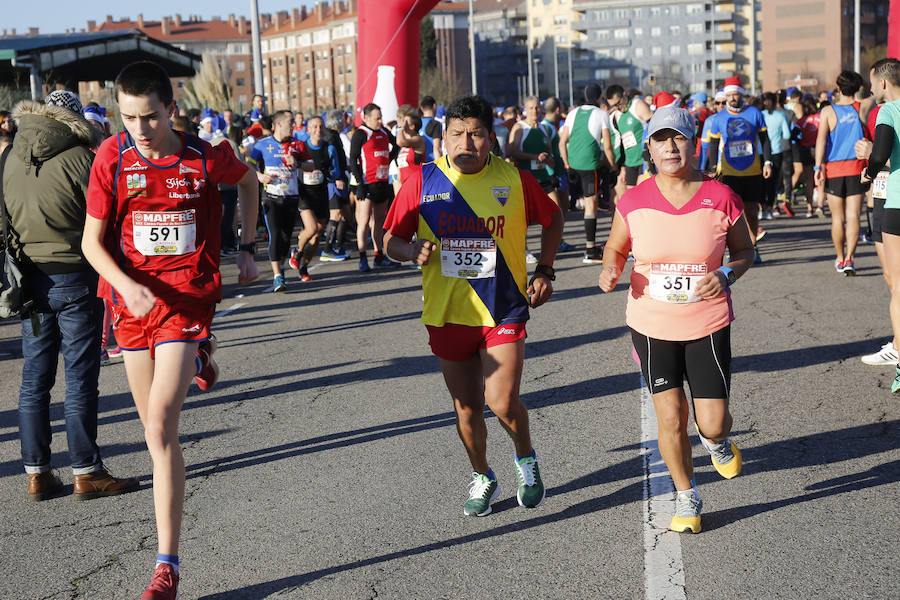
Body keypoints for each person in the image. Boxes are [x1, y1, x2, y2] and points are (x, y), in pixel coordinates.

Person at [81, 61, 259, 599]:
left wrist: (247, 247)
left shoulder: (204, 156)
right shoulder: (112, 156)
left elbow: (250, 181)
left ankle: (166, 565)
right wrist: (124, 285)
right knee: (154, 436)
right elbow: (92, 243)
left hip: (186, 298)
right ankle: (200, 356)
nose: (139, 127)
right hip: (131, 304)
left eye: (150, 117)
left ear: (171, 110)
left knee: (160, 427)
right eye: (128, 116)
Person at [383, 94, 563, 517]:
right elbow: (389, 240)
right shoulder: (421, 181)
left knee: (501, 401)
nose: (467, 143)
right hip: (447, 315)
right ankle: (483, 474)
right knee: (466, 409)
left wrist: (546, 271)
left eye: (477, 134)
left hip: (503, 308)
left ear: (491, 138)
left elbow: (552, 220)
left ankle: (525, 458)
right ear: (443, 138)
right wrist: (411, 252)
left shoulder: (515, 180)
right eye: (457, 134)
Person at [598, 106, 754, 533]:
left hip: (707, 320)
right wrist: (611, 267)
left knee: (713, 421)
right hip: (651, 323)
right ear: (648, 147)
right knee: (670, 417)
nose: (670, 146)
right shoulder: (632, 201)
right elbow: (615, 248)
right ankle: (687, 497)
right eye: (661, 139)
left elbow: (745, 253)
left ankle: (717, 442)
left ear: (693, 142)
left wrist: (725, 274)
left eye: (678, 138)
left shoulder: (722, 197)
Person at [3, 90, 139, 502]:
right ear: (76, 119)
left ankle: (36, 473)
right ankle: (86, 470)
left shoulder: (10, 157)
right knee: (80, 377)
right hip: (77, 276)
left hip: (29, 279)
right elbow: (106, 218)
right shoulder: (85, 158)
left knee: (35, 378)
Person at [860, 58, 900, 391]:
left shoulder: (888, 111)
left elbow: (881, 150)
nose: (871, 89)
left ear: (884, 83)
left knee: (899, 287)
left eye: (873, 83)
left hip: (898, 204)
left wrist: (870, 170)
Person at [705, 76, 773, 263]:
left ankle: (753, 245)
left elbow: (765, 141)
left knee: (751, 210)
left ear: (741, 94)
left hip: (752, 170)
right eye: (730, 95)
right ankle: (731, 249)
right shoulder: (718, 118)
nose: (733, 98)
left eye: (736, 94)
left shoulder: (755, 113)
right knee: (730, 213)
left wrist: (768, 162)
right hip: (729, 171)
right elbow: (713, 144)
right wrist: (712, 169)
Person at [815, 71, 871, 275]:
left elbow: (821, 140)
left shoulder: (828, 111)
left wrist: (817, 167)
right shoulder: (863, 108)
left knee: (837, 218)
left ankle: (839, 258)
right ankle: (850, 259)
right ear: (858, 87)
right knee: (854, 215)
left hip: (834, 169)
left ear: (838, 88)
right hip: (857, 168)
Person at [249, 110, 307, 291]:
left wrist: (297, 163)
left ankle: (281, 267)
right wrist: (259, 176)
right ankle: (277, 276)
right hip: (271, 197)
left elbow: (312, 165)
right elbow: (248, 163)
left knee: (285, 237)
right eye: (290, 123)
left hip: (291, 197)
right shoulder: (262, 145)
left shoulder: (297, 144)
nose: (293, 126)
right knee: (274, 235)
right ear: (280, 124)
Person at [558, 84, 616, 263]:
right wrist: (613, 167)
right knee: (591, 205)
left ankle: (587, 247)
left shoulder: (573, 113)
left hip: (572, 165)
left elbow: (562, 142)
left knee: (573, 205)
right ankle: (590, 250)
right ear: (600, 99)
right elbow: (607, 145)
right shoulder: (602, 114)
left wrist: (567, 164)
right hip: (590, 166)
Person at [349, 103, 400, 272]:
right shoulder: (361, 134)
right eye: (377, 118)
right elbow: (353, 160)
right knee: (363, 222)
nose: (380, 121)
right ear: (366, 117)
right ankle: (363, 258)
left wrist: (389, 159)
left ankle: (379, 256)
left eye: (381, 117)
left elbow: (397, 145)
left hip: (382, 182)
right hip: (366, 183)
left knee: (379, 221)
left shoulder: (384, 132)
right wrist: (360, 184)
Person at [288, 116, 339, 280]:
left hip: (321, 195)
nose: (318, 130)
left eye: (321, 126)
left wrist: (333, 176)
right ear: (308, 129)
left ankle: (304, 267)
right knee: (312, 229)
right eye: (314, 127)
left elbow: (336, 169)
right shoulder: (301, 147)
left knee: (317, 236)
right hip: (305, 194)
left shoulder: (329, 148)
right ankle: (297, 253)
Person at [507, 96, 555, 264]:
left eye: (537, 108)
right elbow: (512, 151)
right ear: (525, 110)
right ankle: (524, 249)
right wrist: (535, 156)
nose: (534, 111)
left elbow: (548, 151)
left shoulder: (544, 128)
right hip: (526, 177)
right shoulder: (519, 128)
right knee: (524, 218)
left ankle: (548, 249)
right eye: (531, 108)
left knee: (555, 213)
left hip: (543, 177)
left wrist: (549, 159)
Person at [540, 96, 575, 251]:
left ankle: (559, 239)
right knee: (557, 209)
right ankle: (556, 241)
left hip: (559, 170)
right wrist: (551, 173)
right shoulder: (546, 127)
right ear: (557, 110)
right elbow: (546, 152)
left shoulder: (551, 125)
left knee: (564, 206)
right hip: (554, 172)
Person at [762, 92, 793, 219]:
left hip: (762, 152)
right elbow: (787, 135)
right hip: (776, 151)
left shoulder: (760, 115)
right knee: (774, 181)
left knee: (762, 181)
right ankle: (772, 207)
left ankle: (761, 208)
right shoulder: (780, 116)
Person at [792, 96, 824, 217]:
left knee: (808, 181)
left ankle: (809, 208)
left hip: (805, 150)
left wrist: (801, 142)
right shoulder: (820, 118)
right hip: (819, 149)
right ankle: (820, 206)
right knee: (820, 179)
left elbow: (793, 136)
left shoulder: (801, 121)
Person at [419, 95, 443, 160]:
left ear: (422, 108)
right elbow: (437, 148)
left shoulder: (415, 123)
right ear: (434, 106)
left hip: (418, 165)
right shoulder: (435, 124)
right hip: (431, 164)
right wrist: (439, 167)